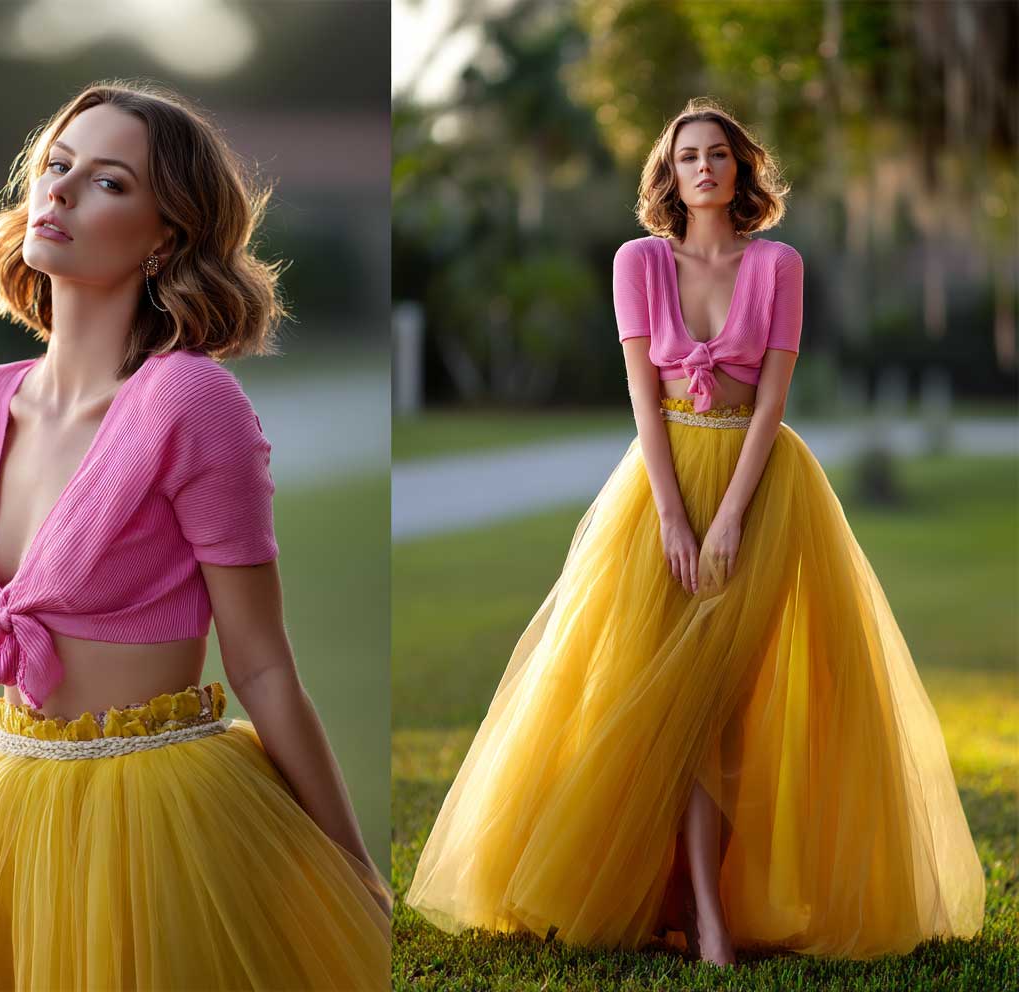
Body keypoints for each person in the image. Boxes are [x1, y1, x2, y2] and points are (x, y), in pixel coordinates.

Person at [403, 99, 985, 967]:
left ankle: (713, 906)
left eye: (719, 155)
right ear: (668, 176)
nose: (704, 168)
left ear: (742, 170)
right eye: (687, 158)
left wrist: (730, 521)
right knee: (659, 701)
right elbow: (645, 395)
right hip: (659, 489)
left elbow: (773, 402)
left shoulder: (779, 265)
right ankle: (694, 911)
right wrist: (676, 518)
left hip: (762, 488)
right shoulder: (637, 261)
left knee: (724, 706)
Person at [0, 80, 391, 991]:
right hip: (2, 802)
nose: (61, 193)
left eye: (108, 182)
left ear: (166, 235)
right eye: (55, 166)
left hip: (165, 811)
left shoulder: (190, 401)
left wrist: (354, 877)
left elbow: (263, 665)